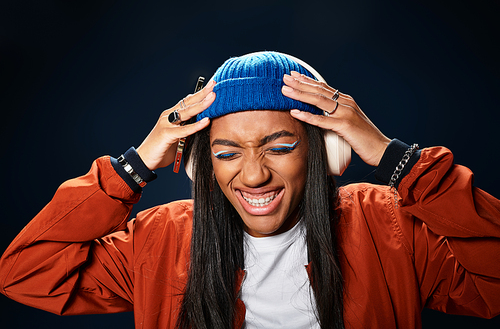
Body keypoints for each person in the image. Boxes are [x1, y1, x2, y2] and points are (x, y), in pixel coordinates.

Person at [0, 52, 499, 329]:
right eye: (226, 153)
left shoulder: (389, 228)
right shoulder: (159, 241)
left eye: (279, 147)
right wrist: (134, 166)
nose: (254, 175)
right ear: (200, 165)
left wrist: (397, 160)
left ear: (326, 153)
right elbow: (25, 273)